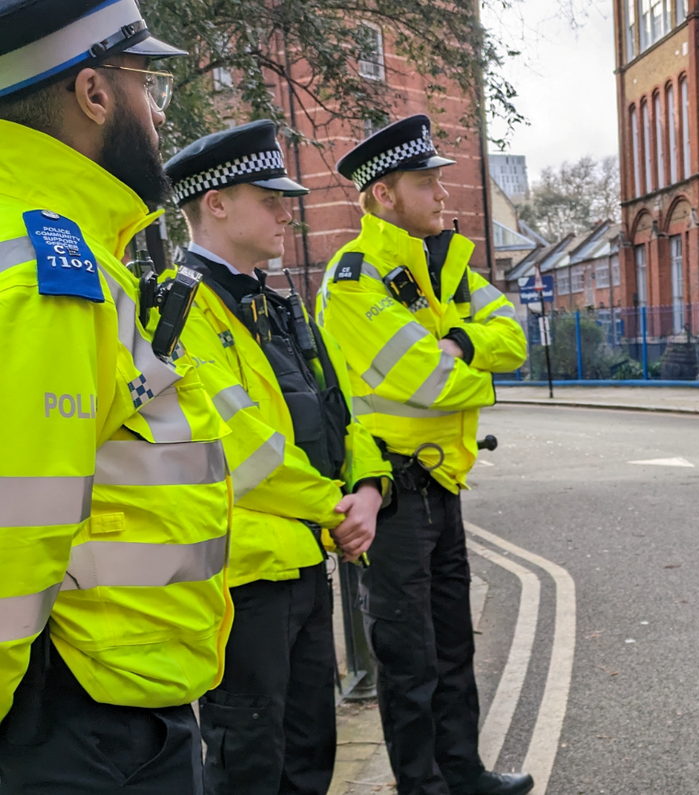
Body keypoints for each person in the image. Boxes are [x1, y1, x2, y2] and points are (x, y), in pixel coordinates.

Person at [0, 1, 235, 792]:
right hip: (84, 724)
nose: (160, 109)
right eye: (146, 81)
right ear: (95, 94)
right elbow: (12, 532)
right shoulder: (51, 271)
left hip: (82, 702)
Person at [163, 120, 393, 794]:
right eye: (269, 197)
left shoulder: (282, 306)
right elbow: (241, 450)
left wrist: (370, 487)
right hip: (243, 582)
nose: (285, 212)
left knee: (309, 754)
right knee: (248, 763)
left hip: (302, 568)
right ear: (216, 203)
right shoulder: (182, 312)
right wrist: (337, 507)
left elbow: (345, 411)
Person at [315, 115, 530, 795]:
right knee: (410, 659)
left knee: (454, 644)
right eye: (425, 181)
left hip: (442, 483)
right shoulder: (354, 279)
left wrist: (459, 345)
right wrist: (473, 366)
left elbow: (514, 336)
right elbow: (425, 380)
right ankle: (425, 785)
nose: (444, 193)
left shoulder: (446, 267)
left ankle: (463, 773)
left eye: (440, 179)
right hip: (395, 491)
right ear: (383, 194)